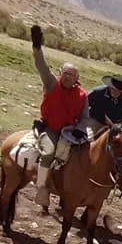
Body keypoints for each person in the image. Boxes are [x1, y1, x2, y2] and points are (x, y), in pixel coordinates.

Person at [29, 25, 90, 208]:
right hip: (52, 128)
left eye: (72, 75)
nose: (68, 77)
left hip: (70, 132)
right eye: (66, 73)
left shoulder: (82, 95)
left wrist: (80, 130)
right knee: (47, 153)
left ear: (77, 77)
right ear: (60, 73)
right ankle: (41, 188)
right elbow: (42, 67)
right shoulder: (51, 84)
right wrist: (37, 48)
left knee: (79, 158)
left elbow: (85, 117)